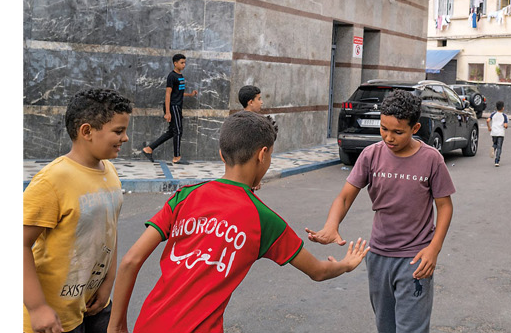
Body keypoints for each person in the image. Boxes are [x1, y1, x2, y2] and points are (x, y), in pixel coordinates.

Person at [110, 112, 369, 332]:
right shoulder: (264, 220)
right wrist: (346, 265)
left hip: (149, 323)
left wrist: (117, 325)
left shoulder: (185, 196)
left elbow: (131, 261)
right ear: (263, 154)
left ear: (222, 154)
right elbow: (318, 271)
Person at [306, 90, 456, 333]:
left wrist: (433, 249)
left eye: (398, 132)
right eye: (383, 128)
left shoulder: (431, 159)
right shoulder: (371, 155)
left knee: (411, 329)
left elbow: (445, 206)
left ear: (415, 127)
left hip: (416, 258)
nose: (389, 137)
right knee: (385, 326)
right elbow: (345, 197)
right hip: (378, 256)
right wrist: (331, 225)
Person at [25, 88, 131, 333]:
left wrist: (108, 283)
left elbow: (110, 233)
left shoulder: (111, 173)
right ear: (87, 131)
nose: (125, 138)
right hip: (55, 318)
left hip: (94, 303)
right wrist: (37, 307)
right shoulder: (53, 180)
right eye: (118, 131)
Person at [143, 54, 196, 164]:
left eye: (185, 62)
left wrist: (190, 95)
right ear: (175, 63)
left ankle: (149, 149)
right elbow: (168, 94)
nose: (184, 65)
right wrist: (167, 112)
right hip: (173, 107)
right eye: (182, 62)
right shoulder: (171, 76)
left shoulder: (180, 76)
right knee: (178, 131)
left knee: (172, 132)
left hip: (177, 106)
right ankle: (176, 157)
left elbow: (178, 93)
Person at [488, 101, 509, 167]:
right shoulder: (504, 116)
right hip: (500, 133)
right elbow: (505, 125)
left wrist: (489, 127)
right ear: (503, 108)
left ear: (496, 107)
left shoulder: (493, 114)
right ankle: (497, 161)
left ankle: (493, 148)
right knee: (499, 147)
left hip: (494, 132)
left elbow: (487, 120)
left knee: (495, 144)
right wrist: (506, 126)